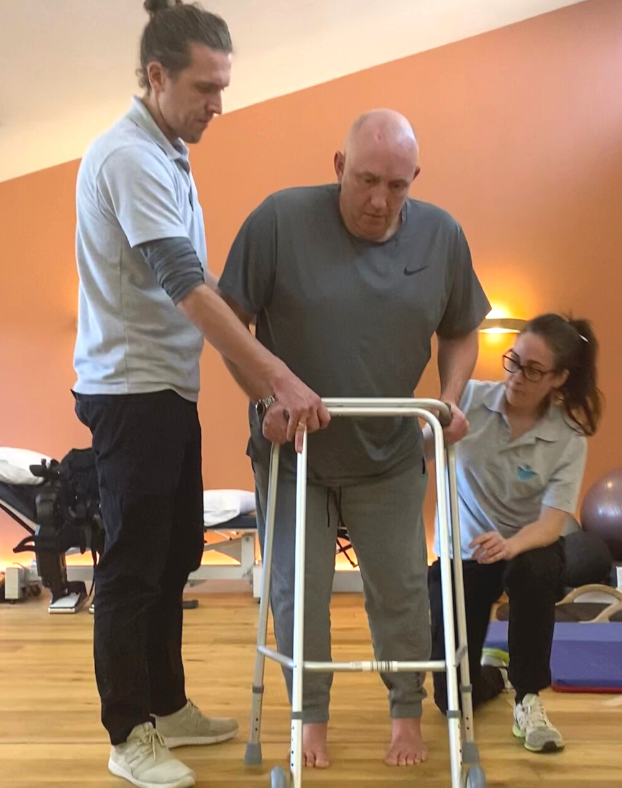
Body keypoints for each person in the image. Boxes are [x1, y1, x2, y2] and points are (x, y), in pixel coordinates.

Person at [71, 3, 329, 787]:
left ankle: (168, 703)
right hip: (130, 389)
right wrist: (275, 378)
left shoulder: (167, 151)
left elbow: (199, 290)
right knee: (132, 568)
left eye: (224, 86)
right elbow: (187, 285)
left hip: (165, 387)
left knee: (177, 551)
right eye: (205, 87)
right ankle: (129, 733)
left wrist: (256, 375)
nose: (219, 103)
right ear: (156, 77)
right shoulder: (128, 158)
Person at [218, 109, 491, 769]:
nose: (379, 202)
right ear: (339, 167)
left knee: (400, 590)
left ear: (414, 180)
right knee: (297, 589)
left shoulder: (442, 236)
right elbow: (230, 319)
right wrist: (266, 396)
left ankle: (406, 714)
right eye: (367, 181)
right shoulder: (279, 221)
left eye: (397, 187)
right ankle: (309, 718)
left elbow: (460, 329)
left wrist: (449, 401)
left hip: (392, 452)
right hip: (296, 453)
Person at [425, 313, 604, 754]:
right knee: (449, 696)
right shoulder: (468, 398)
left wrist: (510, 543)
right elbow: (419, 453)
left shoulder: (568, 436)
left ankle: (528, 697)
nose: (517, 377)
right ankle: (495, 675)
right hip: (465, 552)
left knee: (534, 567)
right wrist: (438, 430)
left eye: (533, 370)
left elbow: (552, 523)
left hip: (528, 546)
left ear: (559, 378)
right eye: (514, 361)